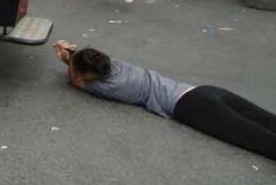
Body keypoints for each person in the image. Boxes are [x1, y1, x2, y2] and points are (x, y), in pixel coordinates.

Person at [53, 40, 276, 161]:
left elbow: (75, 80)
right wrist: (72, 54)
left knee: (258, 140)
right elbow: (84, 68)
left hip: (191, 106)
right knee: (266, 121)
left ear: (89, 74)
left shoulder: (110, 87)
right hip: (206, 91)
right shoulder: (116, 65)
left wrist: (67, 57)